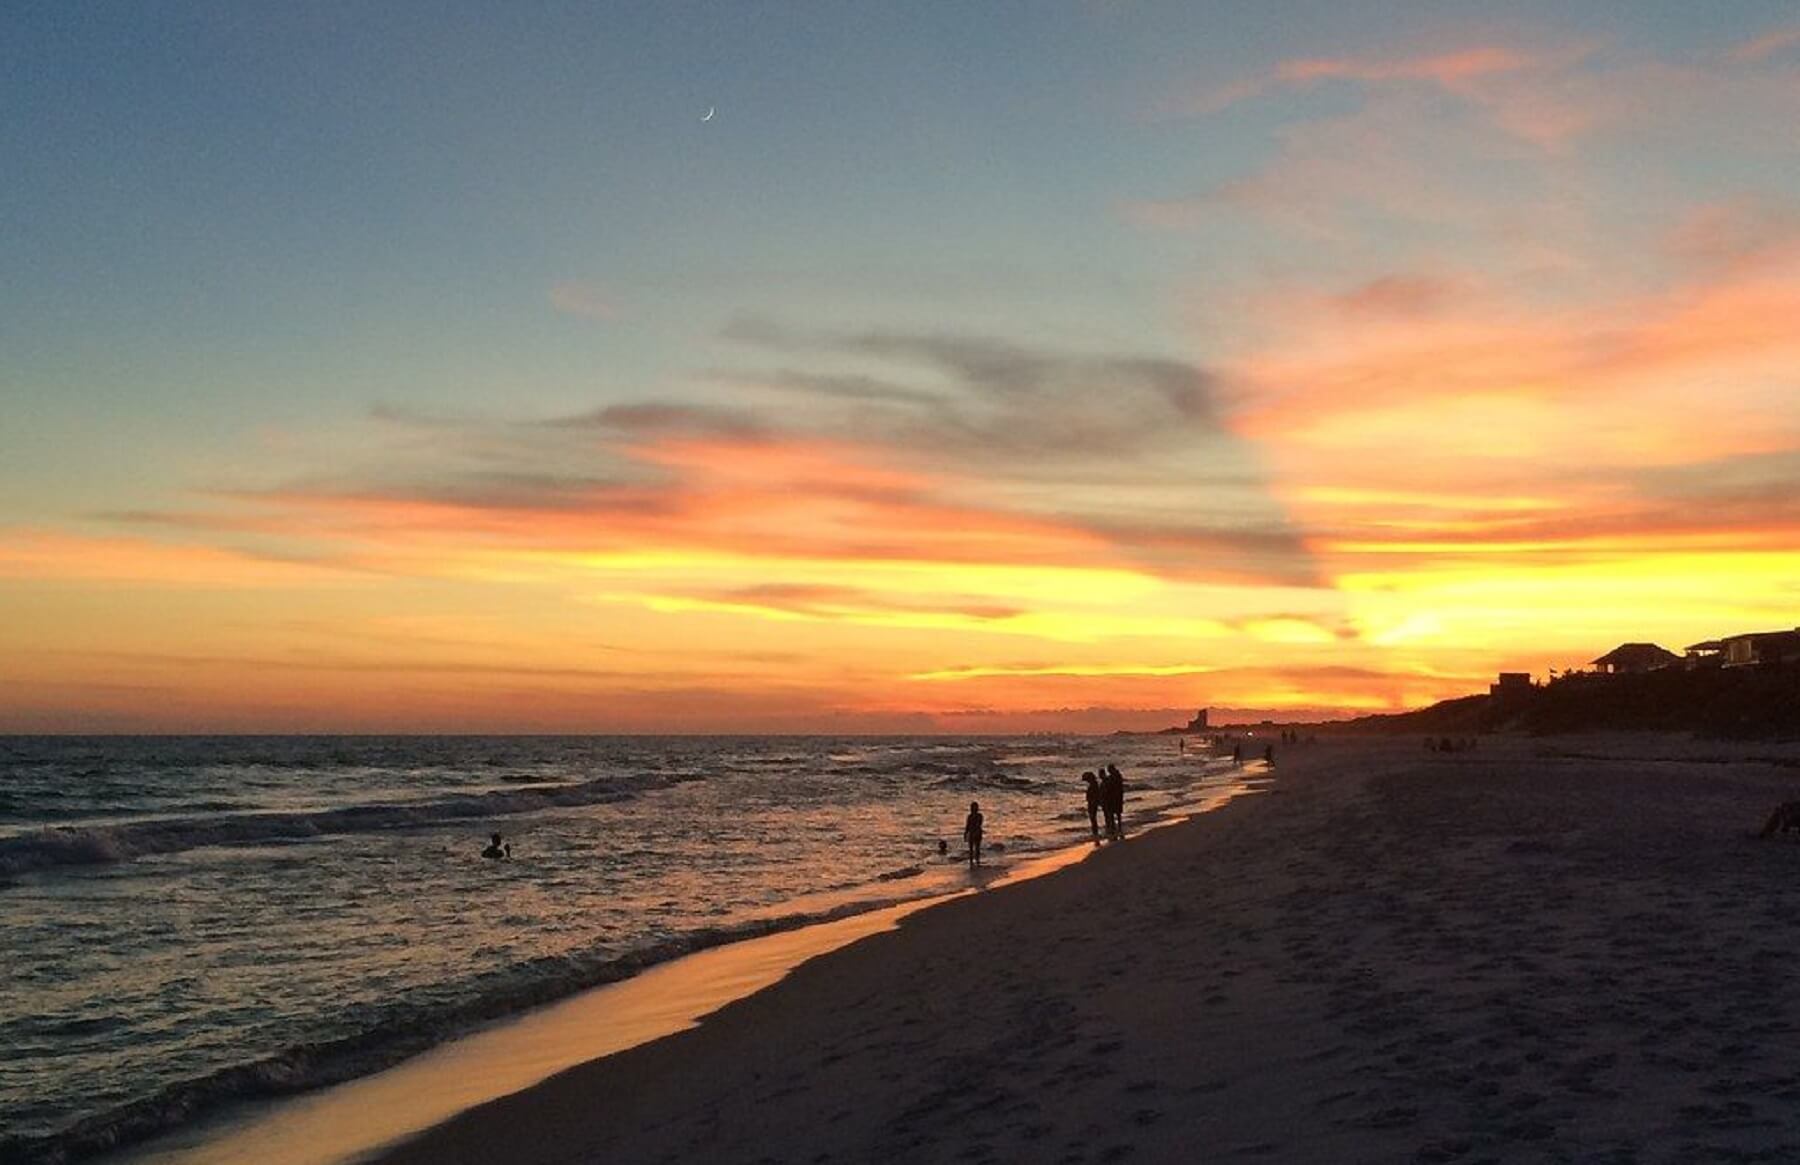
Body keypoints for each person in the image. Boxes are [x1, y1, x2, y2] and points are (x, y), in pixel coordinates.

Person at [1103, 764, 1125, 839]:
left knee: (1114, 813)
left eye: (1109, 770)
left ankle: (1116, 827)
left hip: (1115, 797)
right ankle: (1118, 827)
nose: (1109, 771)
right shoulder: (1117, 776)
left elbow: (1112, 787)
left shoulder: (1115, 777)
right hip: (1117, 797)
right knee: (1117, 813)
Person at [963, 801, 984, 867]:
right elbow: (967, 825)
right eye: (973, 807)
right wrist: (965, 833)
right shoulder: (969, 816)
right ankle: (971, 861)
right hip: (971, 833)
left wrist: (973, 831)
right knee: (971, 848)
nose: (974, 809)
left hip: (977, 833)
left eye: (975, 807)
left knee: (977, 848)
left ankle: (977, 860)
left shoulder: (979, 816)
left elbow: (979, 824)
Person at [1082, 771, 1101, 841]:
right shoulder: (1094, 785)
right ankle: (1095, 833)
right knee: (1093, 818)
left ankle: (1095, 833)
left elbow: (1094, 795)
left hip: (1092, 803)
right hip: (1093, 803)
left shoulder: (1093, 785)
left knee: (1093, 818)